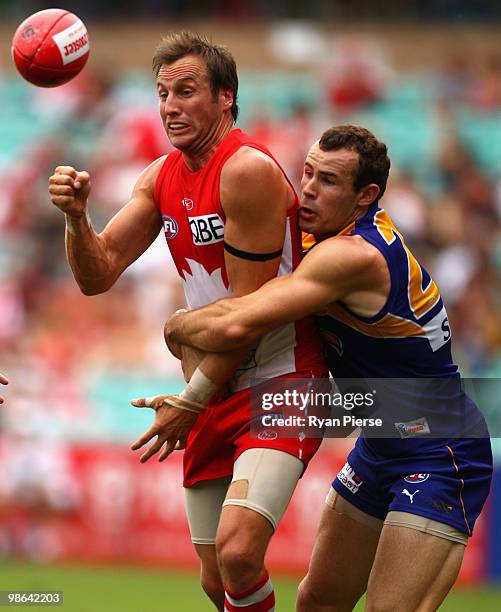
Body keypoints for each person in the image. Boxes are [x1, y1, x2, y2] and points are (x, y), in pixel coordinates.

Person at [48, 31, 326, 611]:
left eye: (187, 91)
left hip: (283, 382)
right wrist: (76, 218)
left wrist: (190, 396)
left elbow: (245, 319)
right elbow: (96, 275)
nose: (171, 106)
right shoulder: (160, 176)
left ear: (226, 98)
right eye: (162, 93)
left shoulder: (245, 170)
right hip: (214, 385)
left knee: (239, 554)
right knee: (214, 581)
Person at [162, 125, 493, 611]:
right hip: (380, 444)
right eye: (308, 173)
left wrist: (178, 325)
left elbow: (241, 319)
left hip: (440, 447)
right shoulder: (319, 239)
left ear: (367, 196)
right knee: (317, 601)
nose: (310, 189)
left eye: (330, 182)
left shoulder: (353, 255)